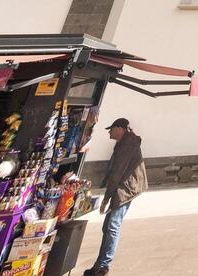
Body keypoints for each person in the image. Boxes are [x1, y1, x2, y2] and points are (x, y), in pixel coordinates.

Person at [84, 116, 146, 276]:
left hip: (125, 189)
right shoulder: (124, 143)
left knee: (112, 226)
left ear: (120, 129)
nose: (109, 133)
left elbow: (117, 172)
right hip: (123, 187)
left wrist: (106, 198)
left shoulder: (127, 144)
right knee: (108, 226)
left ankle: (103, 266)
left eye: (111, 130)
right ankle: (100, 264)